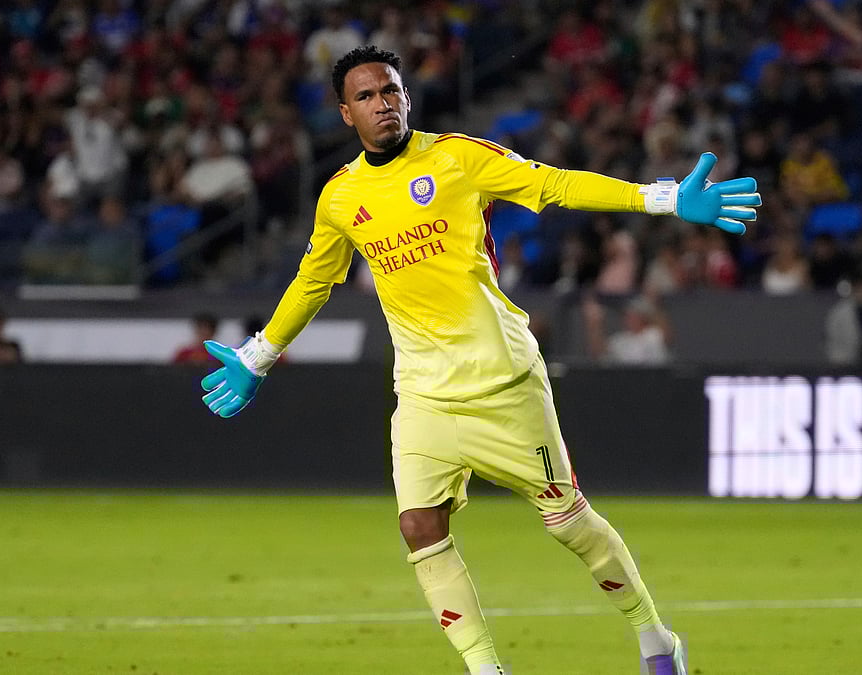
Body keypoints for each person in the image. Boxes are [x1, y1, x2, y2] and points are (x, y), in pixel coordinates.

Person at [199, 46, 761, 675]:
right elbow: (313, 281)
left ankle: (656, 639)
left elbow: (554, 185)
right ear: (344, 113)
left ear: (406, 97)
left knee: (569, 526)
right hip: (422, 394)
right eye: (366, 96)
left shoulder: (459, 158)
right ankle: (486, 669)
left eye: (390, 90)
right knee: (418, 526)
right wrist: (259, 356)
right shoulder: (339, 197)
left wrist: (660, 199)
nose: (382, 103)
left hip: (503, 380)